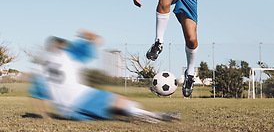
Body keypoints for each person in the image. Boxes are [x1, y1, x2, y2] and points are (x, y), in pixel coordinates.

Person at [28, 30, 179, 123]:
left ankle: (140, 115)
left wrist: (45, 117)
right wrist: (87, 35)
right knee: (120, 101)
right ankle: (154, 117)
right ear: (60, 46)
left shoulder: (40, 66)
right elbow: (97, 40)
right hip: (80, 96)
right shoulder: (66, 54)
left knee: (112, 110)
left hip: (67, 111)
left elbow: (37, 96)